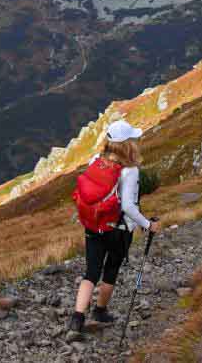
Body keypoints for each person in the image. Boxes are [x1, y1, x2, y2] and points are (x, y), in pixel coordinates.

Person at [69, 119, 162, 334]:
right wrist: (148, 224)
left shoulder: (96, 160)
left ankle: (77, 318)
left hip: (93, 225)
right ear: (128, 143)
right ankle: (100, 311)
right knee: (111, 269)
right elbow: (128, 206)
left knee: (91, 272)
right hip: (117, 229)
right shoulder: (129, 171)